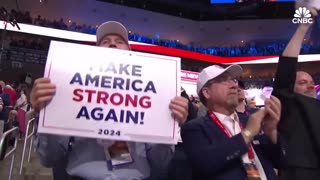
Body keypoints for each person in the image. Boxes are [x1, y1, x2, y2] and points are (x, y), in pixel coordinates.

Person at [31, 21, 189, 180]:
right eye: (105, 42)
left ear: (131, 53)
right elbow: (49, 158)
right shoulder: (68, 90)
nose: (113, 44)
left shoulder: (154, 97)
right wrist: (47, 111)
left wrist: (169, 123)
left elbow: (161, 162)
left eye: (120, 42)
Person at [181, 64, 284, 180]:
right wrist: (247, 133)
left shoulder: (250, 120)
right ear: (207, 93)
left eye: (233, 80)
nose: (234, 85)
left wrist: (271, 131)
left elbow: (280, 161)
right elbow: (205, 165)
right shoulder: (195, 128)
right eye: (224, 81)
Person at [272, 7, 320, 180]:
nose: (310, 86)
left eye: (312, 83)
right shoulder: (288, 102)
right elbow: (286, 67)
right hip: (300, 172)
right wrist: (303, 28)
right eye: (302, 82)